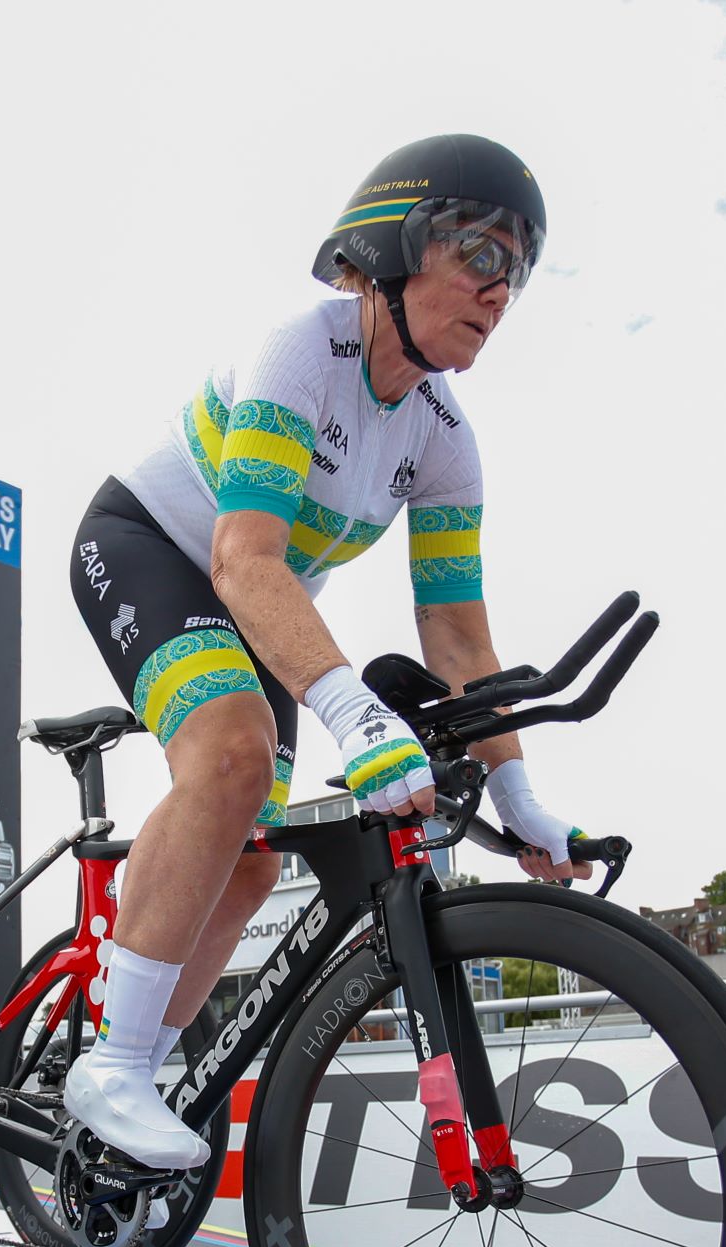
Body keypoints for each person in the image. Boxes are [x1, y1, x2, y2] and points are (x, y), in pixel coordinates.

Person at [63, 136, 585, 1167]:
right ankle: (111, 1063)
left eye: (516, 272)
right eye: (481, 255)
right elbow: (241, 555)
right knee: (229, 756)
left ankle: (140, 1075)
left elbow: (455, 633)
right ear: (397, 246)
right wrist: (353, 713)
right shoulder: (301, 346)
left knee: (252, 868)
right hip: (154, 546)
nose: (500, 292)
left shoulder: (444, 439)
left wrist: (518, 793)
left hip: (260, 604)